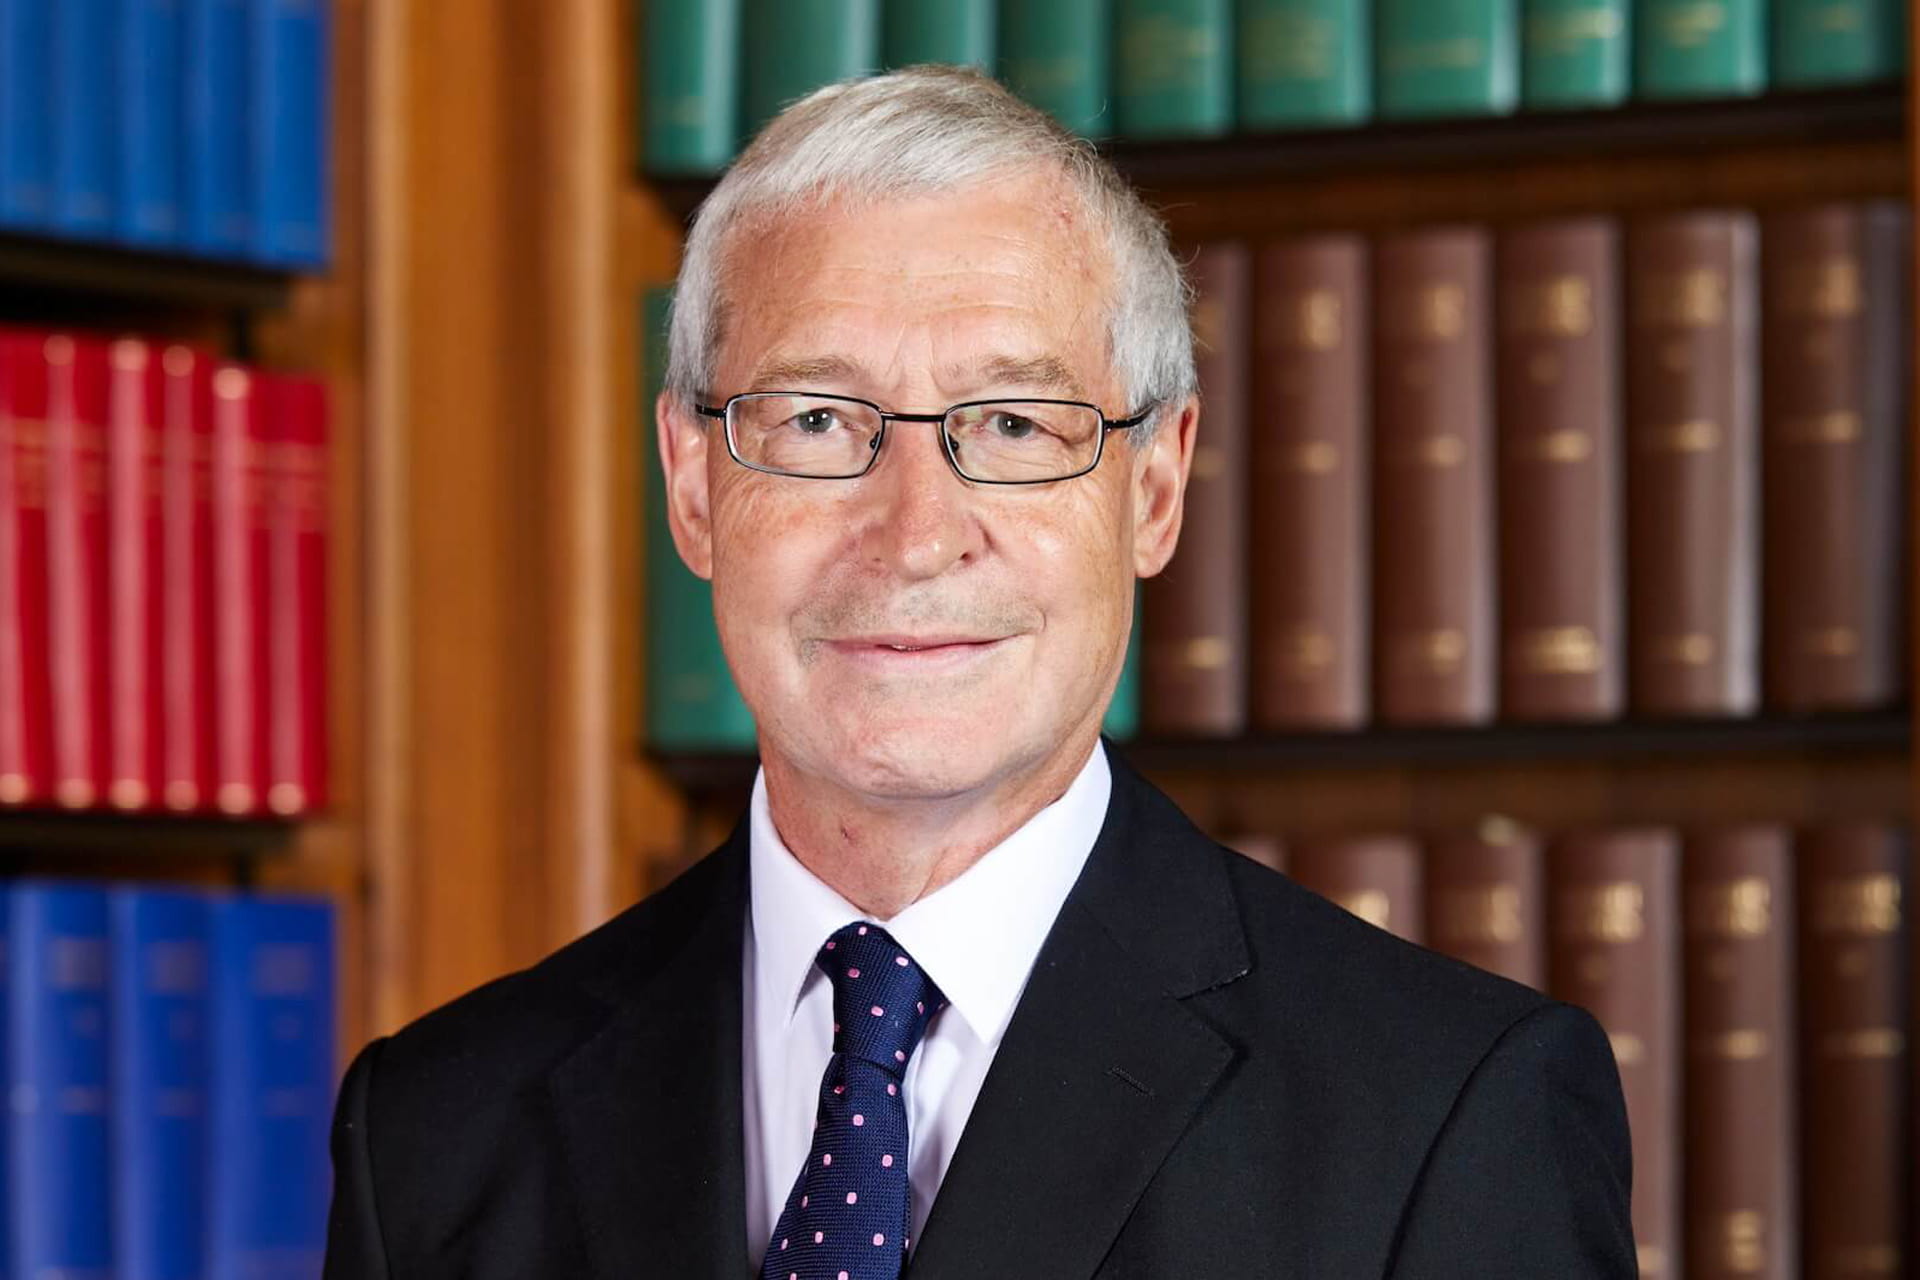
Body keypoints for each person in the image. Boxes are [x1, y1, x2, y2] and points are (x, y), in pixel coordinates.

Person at [323, 65, 1634, 1279]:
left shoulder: (1445, 1117)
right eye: (820, 421)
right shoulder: (433, 1133)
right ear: (692, 484)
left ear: (1157, 486)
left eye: (1012, 424)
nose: (915, 534)